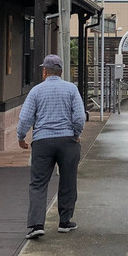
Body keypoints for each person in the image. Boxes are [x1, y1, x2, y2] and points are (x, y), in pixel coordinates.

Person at [17, 54, 86, 239]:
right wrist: (76, 134)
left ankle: (36, 225)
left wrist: (21, 137)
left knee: (38, 183)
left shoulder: (36, 91)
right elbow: (79, 117)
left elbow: (25, 118)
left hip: (42, 142)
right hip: (67, 142)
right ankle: (64, 221)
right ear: (61, 72)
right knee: (68, 181)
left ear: (45, 71)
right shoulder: (71, 89)